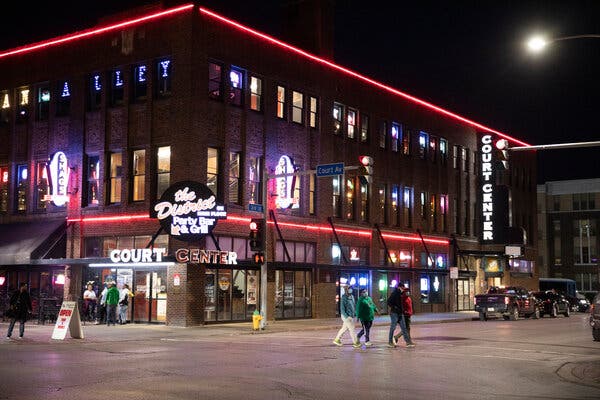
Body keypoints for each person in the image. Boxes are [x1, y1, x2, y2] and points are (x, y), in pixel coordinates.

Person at [387, 283, 414, 348]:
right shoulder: (394, 293)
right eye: (402, 288)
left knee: (404, 328)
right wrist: (395, 307)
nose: (403, 289)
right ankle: (390, 342)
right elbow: (388, 302)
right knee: (393, 327)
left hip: (400, 313)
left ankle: (408, 342)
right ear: (399, 287)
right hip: (394, 313)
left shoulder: (401, 294)